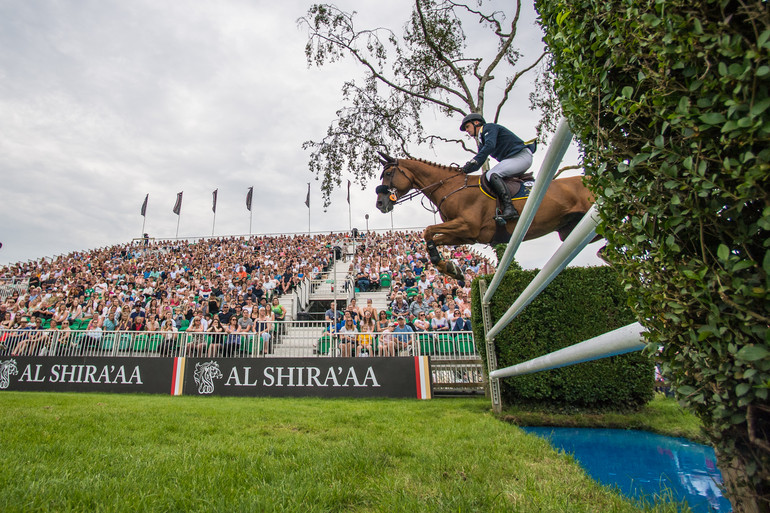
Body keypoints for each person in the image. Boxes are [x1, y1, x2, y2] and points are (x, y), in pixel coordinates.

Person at [459, 113, 536, 224]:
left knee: (491, 174)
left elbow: (490, 146)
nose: (467, 130)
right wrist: (463, 171)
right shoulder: (482, 140)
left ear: (476, 123)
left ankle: (510, 209)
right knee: (489, 174)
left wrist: (472, 161)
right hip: (514, 159)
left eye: (467, 126)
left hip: (521, 156)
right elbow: (479, 162)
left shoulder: (489, 128)